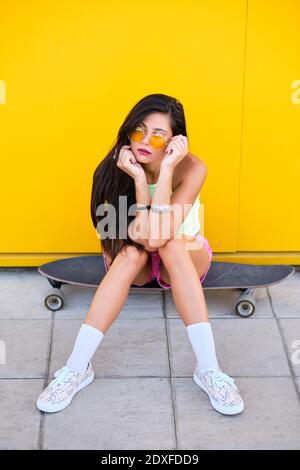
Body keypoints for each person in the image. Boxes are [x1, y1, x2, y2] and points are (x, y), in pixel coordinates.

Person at [36, 93, 244, 415]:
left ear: (175, 140)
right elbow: (144, 241)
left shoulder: (192, 168)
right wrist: (136, 178)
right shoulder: (115, 168)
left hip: (182, 258)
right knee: (135, 254)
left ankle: (210, 371)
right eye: (138, 131)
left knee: (173, 243)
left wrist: (165, 173)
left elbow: (162, 235)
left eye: (158, 134)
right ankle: (77, 369)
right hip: (132, 258)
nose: (144, 141)